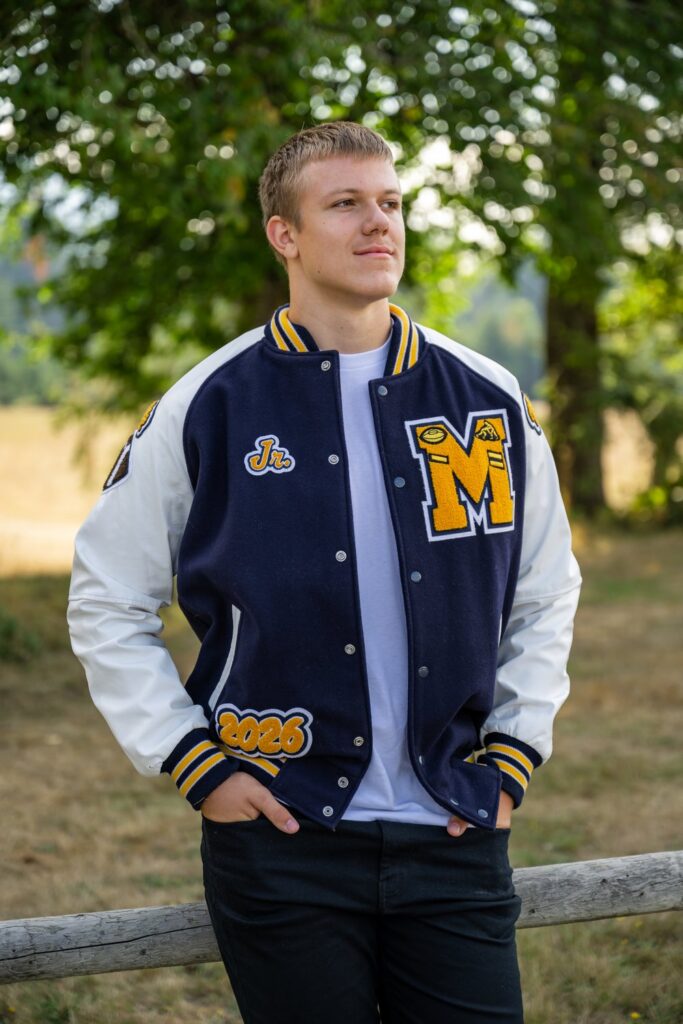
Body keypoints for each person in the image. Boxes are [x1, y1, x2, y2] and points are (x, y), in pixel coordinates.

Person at [68, 121, 581, 1023]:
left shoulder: (486, 399)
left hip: (453, 825)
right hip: (280, 836)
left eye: (389, 203)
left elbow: (543, 593)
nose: (376, 222)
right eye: (344, 203)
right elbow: (107, 598)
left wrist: (510, 757)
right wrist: (197, 766)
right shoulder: (209, 403)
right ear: (285, 234)